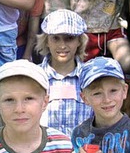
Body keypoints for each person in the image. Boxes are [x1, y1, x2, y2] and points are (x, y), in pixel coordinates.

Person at [36, 9, 94, 137]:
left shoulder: (91, 77)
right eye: (56, 38)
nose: (62, 46)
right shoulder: (34, 77)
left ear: (79, 41)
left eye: (69, 38)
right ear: (46, 41)